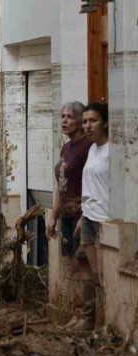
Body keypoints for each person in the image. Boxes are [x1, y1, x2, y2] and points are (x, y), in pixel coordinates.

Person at [66, 102, 110, 331]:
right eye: (85, 121)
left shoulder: (113, 150)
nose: (88, 125)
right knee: (91, 275)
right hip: (89, 219)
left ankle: (106, 325)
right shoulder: (92, 149)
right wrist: (84, 216)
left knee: (104, 276)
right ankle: (95, 323)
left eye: (93, 121)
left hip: (105, 220)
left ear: (106, 123)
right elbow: (89, 187)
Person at [47, 102, 92, 262]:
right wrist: (53, 216)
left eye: (70, 117)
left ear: (80, 122)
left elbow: (93, 187)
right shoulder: (66, 147)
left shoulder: (88, 147)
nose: (64, 121)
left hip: (81, 216)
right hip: (66, 216)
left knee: (83, 269)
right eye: (63, 117)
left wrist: (84, 218)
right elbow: (61, 185)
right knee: (71, 266)